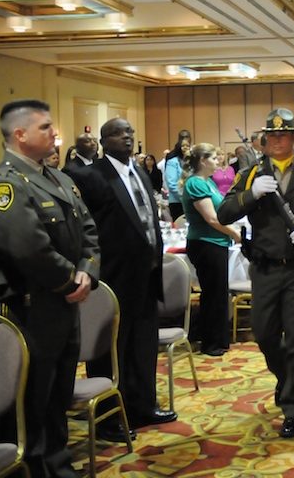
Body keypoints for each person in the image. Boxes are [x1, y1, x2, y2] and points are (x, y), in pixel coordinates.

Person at [0, 99, 98, 478]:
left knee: (58, 390)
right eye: (46, 127)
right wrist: (68, 280)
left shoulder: (58, 178)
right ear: (20, 134)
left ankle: (55, 462)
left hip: (60, 304)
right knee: (30, 396)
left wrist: (87, 272)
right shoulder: (3, 185)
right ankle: (28, 467)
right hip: (26, 306)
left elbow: (89, 231)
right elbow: (27, 248)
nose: (55, 134)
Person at [217, 108, 294, 439]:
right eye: (272, 135)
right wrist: (252, 194)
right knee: (264, 334)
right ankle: (287, 379)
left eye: (285, 134)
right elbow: (224, 212)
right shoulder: (251, 173)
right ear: (265, 140)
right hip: (263, 268)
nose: (278, 140)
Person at [69, 118, 175, 441]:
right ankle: (108, 418)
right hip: (114, 277)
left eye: (129, 133)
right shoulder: (91, 175)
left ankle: (143, 405)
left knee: (143, 344)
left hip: (146, 274)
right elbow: (86, 228)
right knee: (111, 349)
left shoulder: (140, 171)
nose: (126, 138)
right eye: (118, 133)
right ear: (103, 140)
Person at [180, 143, 240, 357]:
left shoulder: (208, 183)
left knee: (218, 292)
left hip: (216, 243)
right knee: (213, 293)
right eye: (214, 158)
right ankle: (211, 342)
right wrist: (234, 233)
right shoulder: (196, 183)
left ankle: (216, 339)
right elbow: (212, 218)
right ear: (203, 161)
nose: (218, 162)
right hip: (206, 243)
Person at [164, 130, 192, 221]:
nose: (185, 147)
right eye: (183, 145)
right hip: (177, 201)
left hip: (192, 201)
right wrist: (186, 198)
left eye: (187, 145)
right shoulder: (172, 161)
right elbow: (172, 184)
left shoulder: (193, 161)